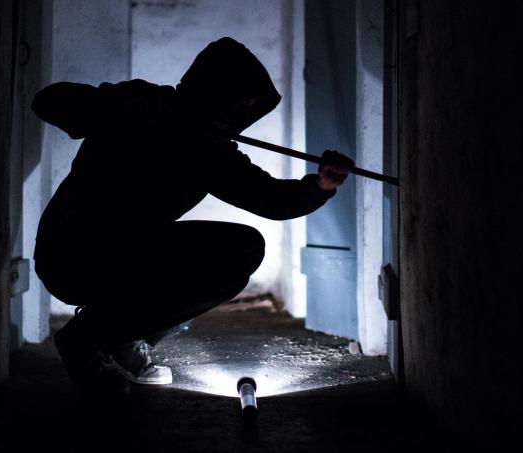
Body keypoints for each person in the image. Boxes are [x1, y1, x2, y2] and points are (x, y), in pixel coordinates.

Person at [32, 37, 353, 392]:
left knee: (242, 248)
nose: (240, 117)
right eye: (239, 104)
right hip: (69, 253)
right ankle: (86, 338)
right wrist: (119, 107)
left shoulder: (210, 152)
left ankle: (119, 333)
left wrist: (322, 184)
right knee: (193, 254)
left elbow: (272, 199)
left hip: (131, 255)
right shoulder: (141, 105)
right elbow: (47, 102)